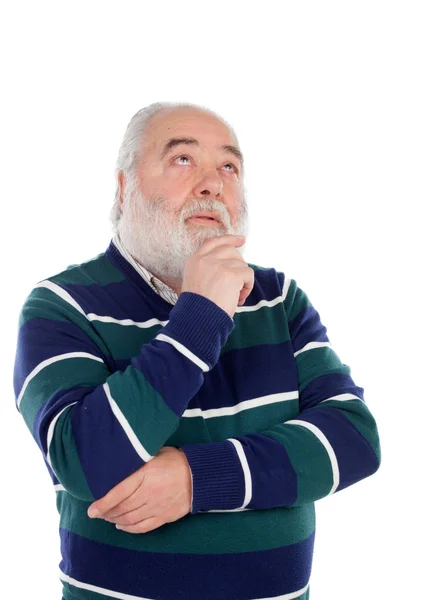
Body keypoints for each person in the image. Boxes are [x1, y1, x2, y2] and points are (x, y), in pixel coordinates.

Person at [13, 101, 381, 600]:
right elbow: (85, 461)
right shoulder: (63, 304)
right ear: (124, 188)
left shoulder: (279, 299)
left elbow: (354, 439)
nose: (214, 183)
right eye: (183, 159)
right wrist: (201, 314)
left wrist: (195, 480)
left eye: (229, 166)